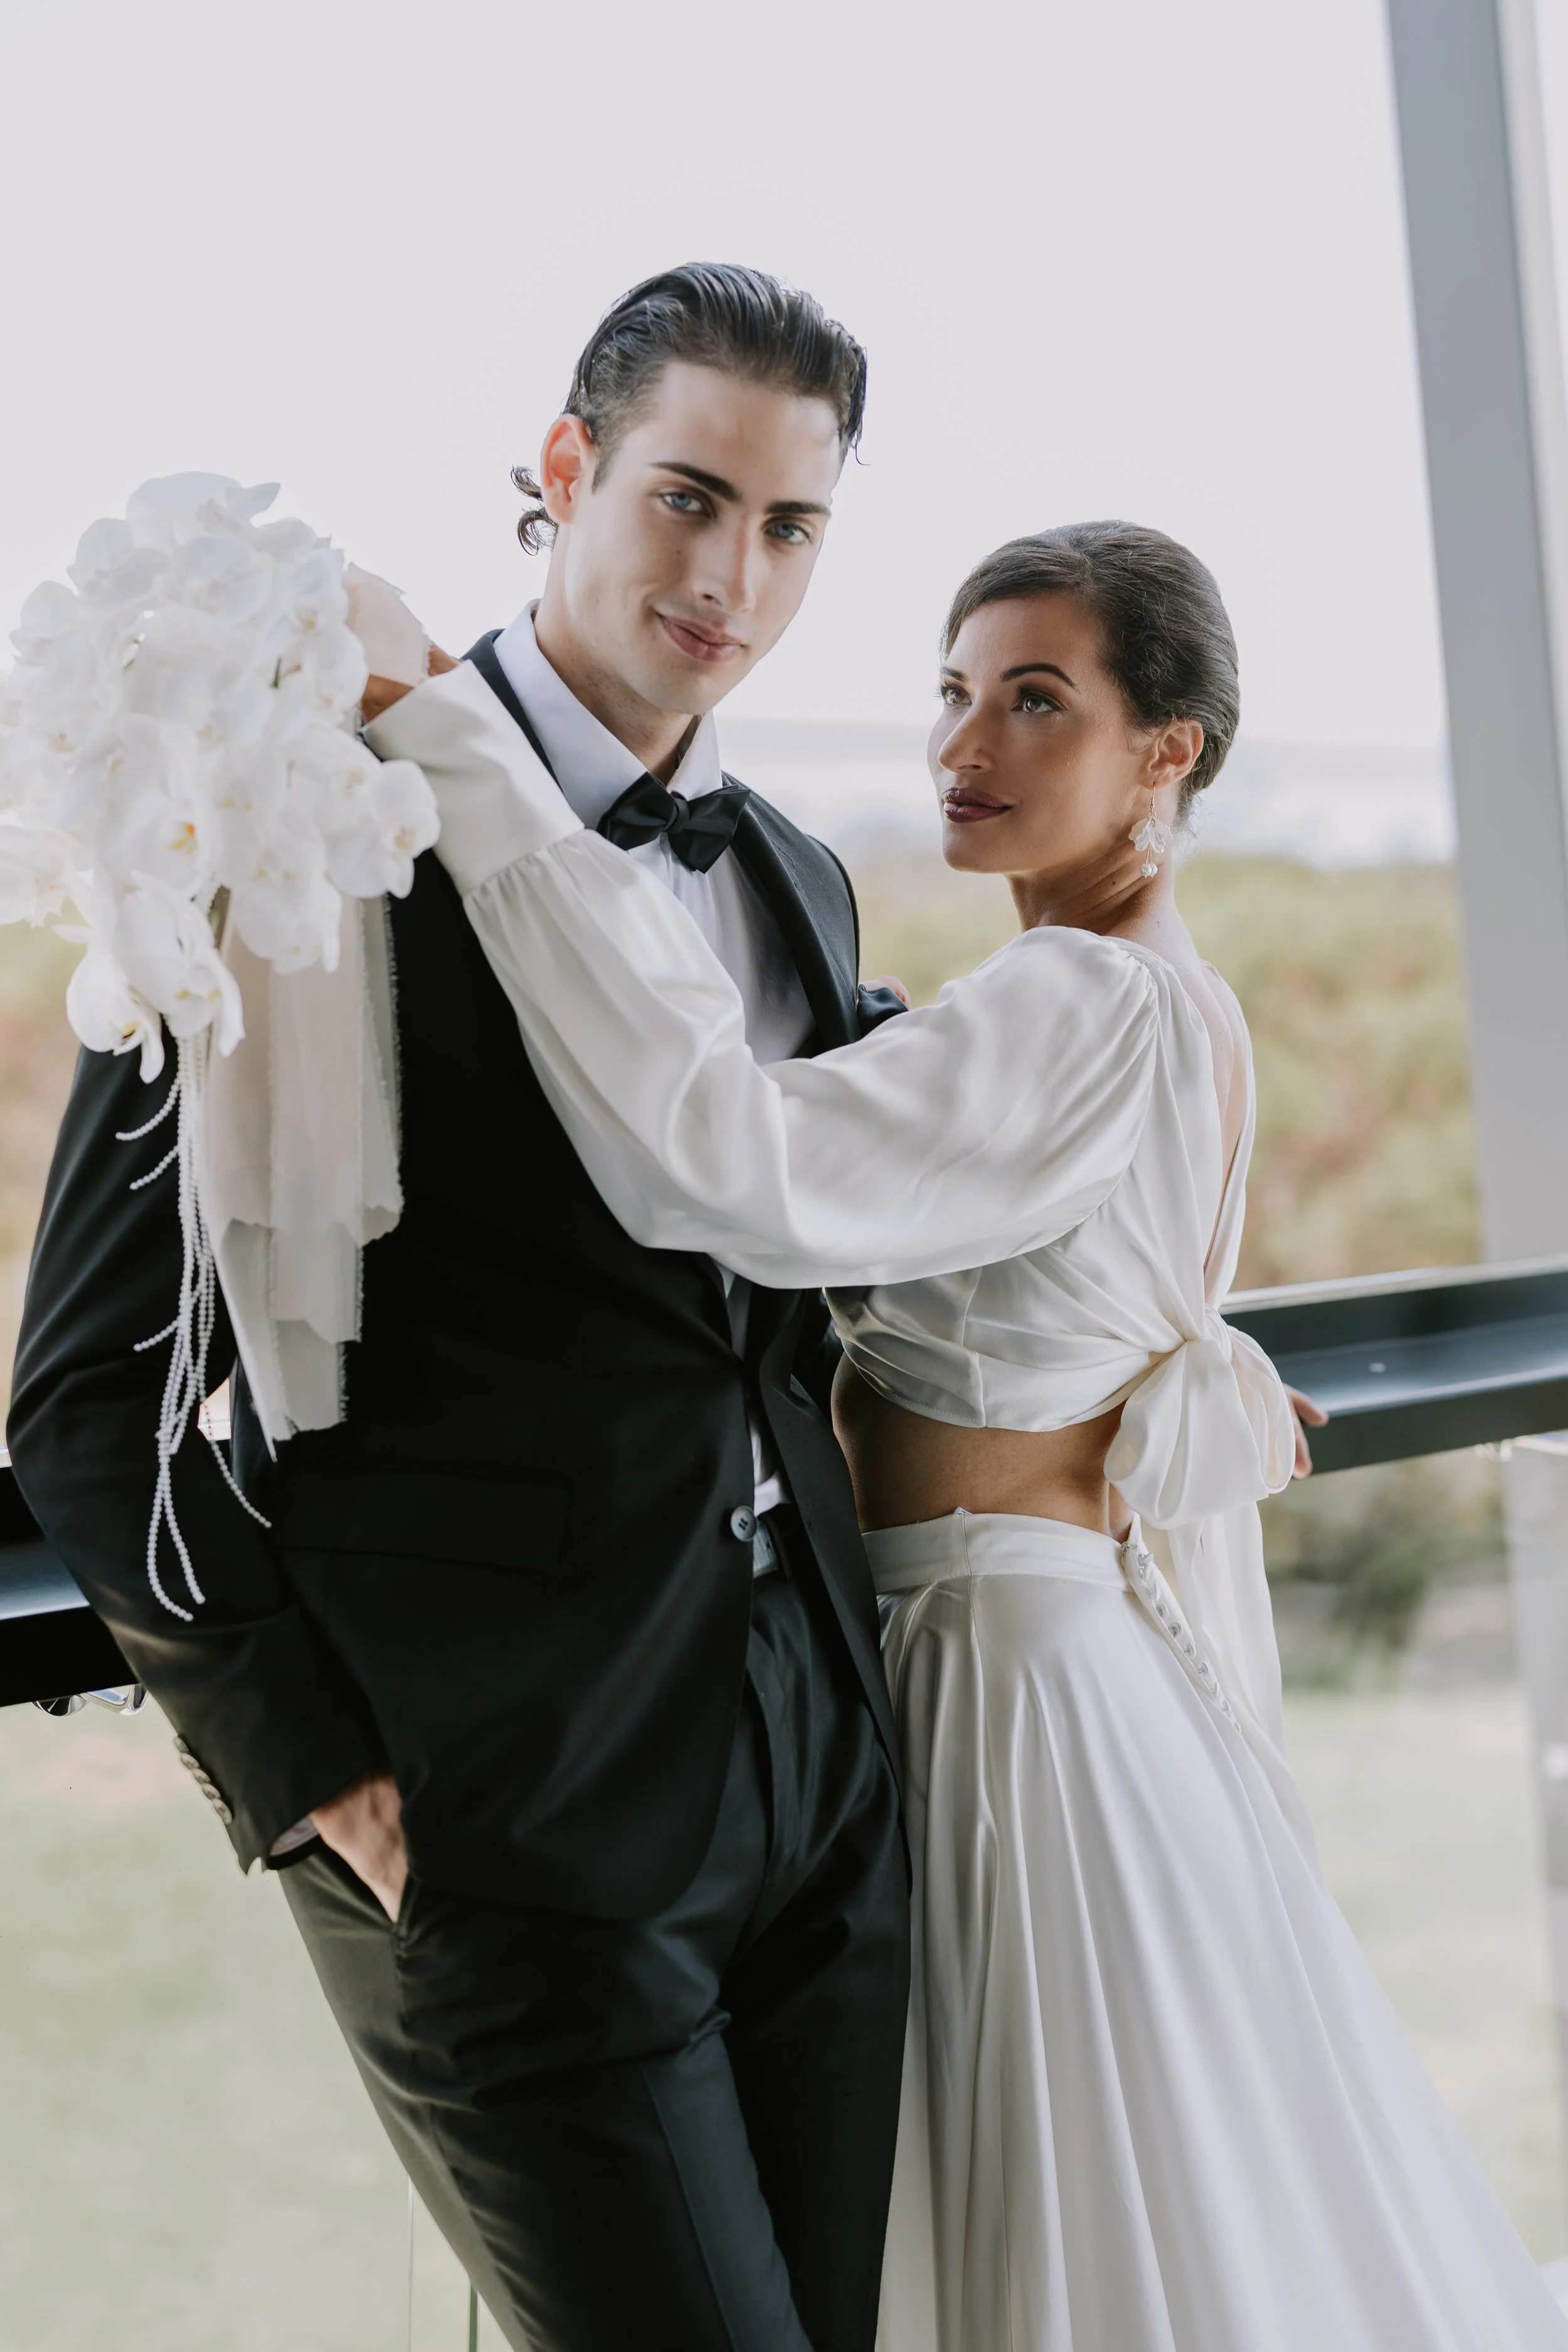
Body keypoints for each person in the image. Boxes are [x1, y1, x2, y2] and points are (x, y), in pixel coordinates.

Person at [366, 521, 1568, 2349]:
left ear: (1166, 749)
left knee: (1042, 2228)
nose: (963, 745)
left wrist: (473, 765)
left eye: (1034, 701)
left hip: (997, 1681)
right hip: (1034, 1644)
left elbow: (739, 1165)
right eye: (948, 691)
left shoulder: (1075, 996)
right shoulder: (1168, 995)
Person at [8, 265, 946, 2352]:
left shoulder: (793, 871)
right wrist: (325, 1780)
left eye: (790, 527)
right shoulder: (296, 829)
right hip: (499, 1829)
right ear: (561, 471)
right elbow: (83, 1394)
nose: (731, 577)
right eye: (687, 498)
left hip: (816, 1795)